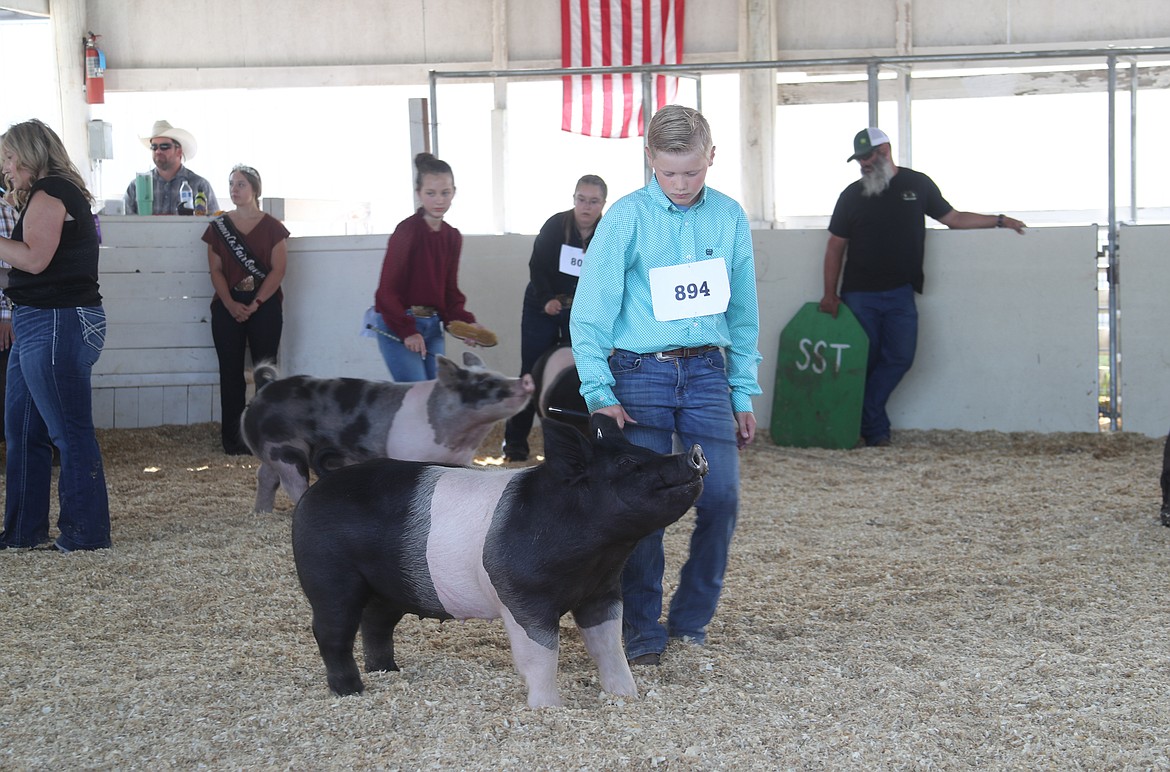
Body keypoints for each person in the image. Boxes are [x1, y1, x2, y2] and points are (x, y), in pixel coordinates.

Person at [570, 105, 762, 666]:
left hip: (707, 371)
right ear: (650, 160)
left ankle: (692, 622)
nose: (681, 184)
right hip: (639, 373)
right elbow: (591, 311)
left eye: (692, 172)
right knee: (643, 508)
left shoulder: (728, 216)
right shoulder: (625, 218)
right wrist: (598, 391)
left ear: (711, 159)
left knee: (721, 498)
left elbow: (744, 309)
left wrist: (741, 389)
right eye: (669, 172)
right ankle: (642, 631)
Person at [819, 127, 1027, 447]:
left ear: (885, 150)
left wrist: (999, 220)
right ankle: (875, 432)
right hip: (860, 294)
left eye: (868, 157)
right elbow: (835, 245)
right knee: (866, 360)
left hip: (902, 291)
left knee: (901, 357)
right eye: (859, 159)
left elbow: (953, 218)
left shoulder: (917, 184)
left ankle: (867, 417)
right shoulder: (850, 195)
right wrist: (829, 293)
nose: (863, 164)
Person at [0, 119, 110, 552]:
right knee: (24, 429)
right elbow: (31, 272)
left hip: (58, 321)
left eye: (10, 157)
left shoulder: (50, 193)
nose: (6, 167)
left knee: (68, 431)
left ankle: (86, 533)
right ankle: (23, 532)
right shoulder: (53, 193)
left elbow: (34, 261)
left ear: (30, 155)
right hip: (42, 319)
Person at [501, 174, 607, 461]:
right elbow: (537, 266)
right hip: (542, 304)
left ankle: (579, 438)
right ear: (573, 199)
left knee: (581, 371)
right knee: (530, 372)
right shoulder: (555, 225)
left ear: (603, 204)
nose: (586, 207)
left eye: (593, 201)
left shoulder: (608, 232)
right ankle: (515, 442)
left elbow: (608, 275)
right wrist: (547, 298)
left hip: (581, 310)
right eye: (581, 199)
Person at [370, 152, 489, 382]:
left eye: (445, 193)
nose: (439, 200)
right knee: (417, 397)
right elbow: (386, 291)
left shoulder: (452, 236)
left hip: (432, 325)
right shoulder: (407, 231)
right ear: (419, 194)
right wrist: (407, 331)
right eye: (430, 193)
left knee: (436, 395)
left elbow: (449, 292)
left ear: (454, 192)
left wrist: (467, 323)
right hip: (398, 323)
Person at [202, 165, 288, 455]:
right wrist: (230, 303)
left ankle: (265, 436)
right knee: (230, 373)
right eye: (231, 184)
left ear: (255, 189)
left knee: (265, 371)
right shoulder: (219, 228)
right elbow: (215, 270)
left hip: (263, 305)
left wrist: (256, 303)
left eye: (240, 184)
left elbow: (278, 271)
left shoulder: (273, 227)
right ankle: (234, 440)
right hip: (228, 304)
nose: (234, 189)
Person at [124, 120, 219, 215]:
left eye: (164, 146)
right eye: (154, 147)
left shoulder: (200, 185)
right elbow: (123, 225)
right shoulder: (136, 186)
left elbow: (214, 224)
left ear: (179, 151)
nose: (158, 151)